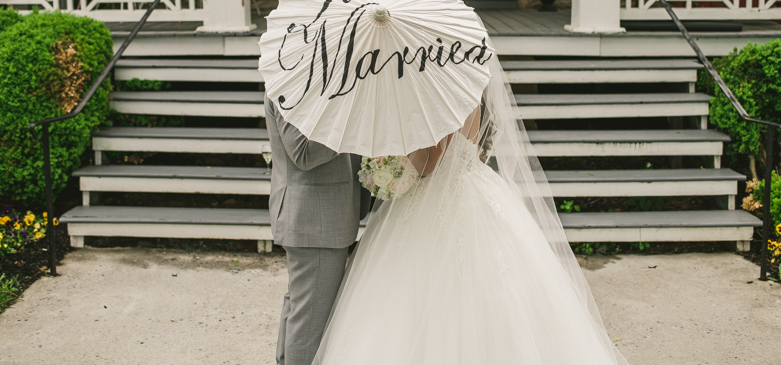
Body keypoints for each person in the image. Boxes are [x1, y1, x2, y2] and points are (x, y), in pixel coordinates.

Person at [310, 54, 631, 365]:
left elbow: (429, 162)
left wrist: (397, 158)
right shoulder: (475, 78)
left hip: (435, 195)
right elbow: (475, 147)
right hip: (475, 183)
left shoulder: (438, 84)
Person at [264, 97, 369, 365]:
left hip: (322, 215)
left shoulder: (320, 81)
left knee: (302, 308)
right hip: (314, 217)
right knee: (310, 322)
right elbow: (303, 153)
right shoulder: (291, 84)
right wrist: (353, 119)